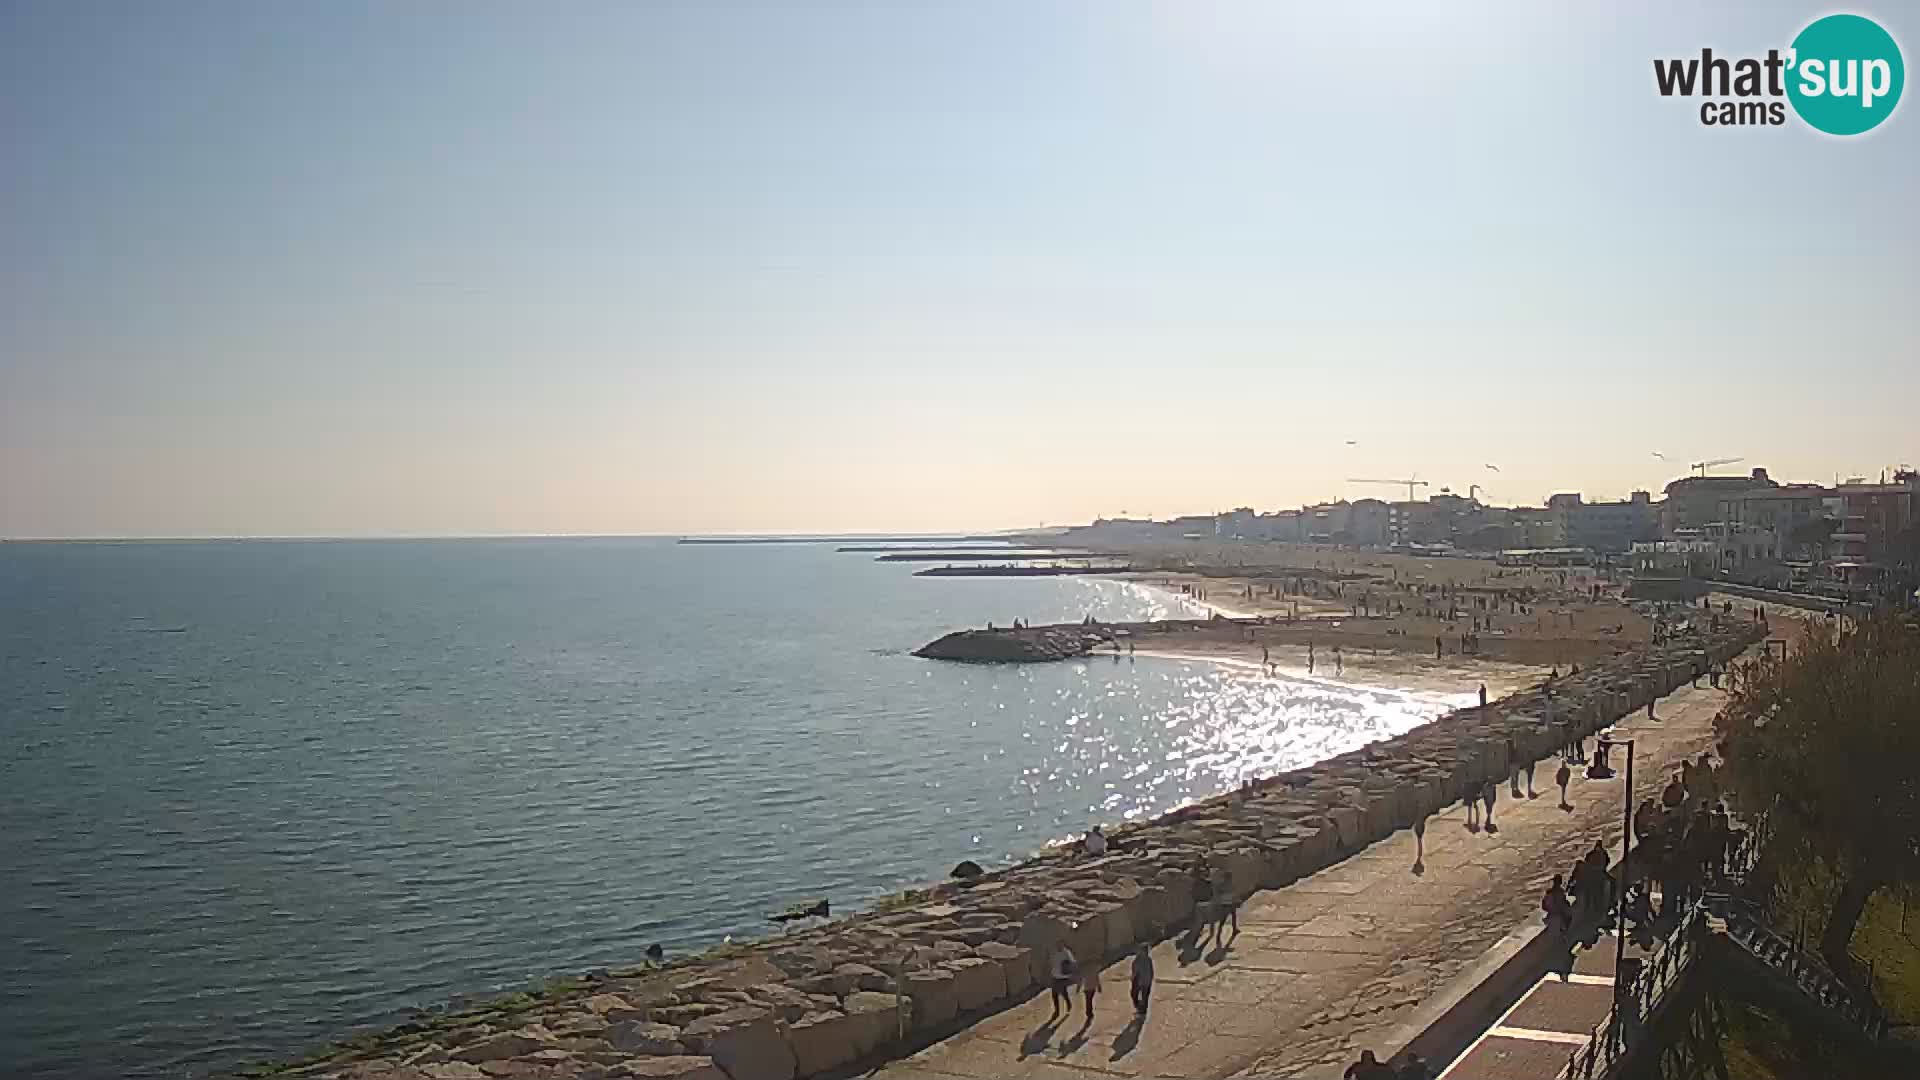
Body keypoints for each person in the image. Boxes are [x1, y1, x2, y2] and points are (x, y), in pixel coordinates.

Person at [1049, 945, 1077, 1017]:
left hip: (1063, 977)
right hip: (1055, 976)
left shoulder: (1066, 952)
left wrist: (1068, 967)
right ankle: (1057, 1011)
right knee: (1055, 995)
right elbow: (1052, 962)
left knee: (1063, 992)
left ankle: (1067, 1004)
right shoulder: (1054, 952)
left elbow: (1073, 962)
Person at [1130, 944, 1154, 1014]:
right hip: (1145, 982)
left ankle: (1141, 1009)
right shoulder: (1148, 960)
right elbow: (1151, 971)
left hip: (1142, 982)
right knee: (1144, 996)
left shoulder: (1139, 960)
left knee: (1138, 995)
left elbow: (1135, 971)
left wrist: (1133, 978)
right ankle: (1142, 1009)